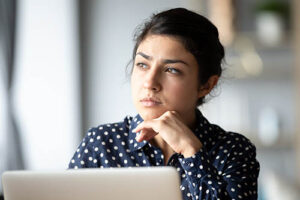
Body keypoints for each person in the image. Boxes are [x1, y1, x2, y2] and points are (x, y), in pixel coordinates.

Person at [69, 7, 260, 200]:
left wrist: (191, 150)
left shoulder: (233, 150)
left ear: (206, 85)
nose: (150, 83)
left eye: (172, 70)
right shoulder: (101, 144)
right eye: (142, 65)